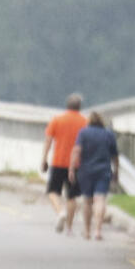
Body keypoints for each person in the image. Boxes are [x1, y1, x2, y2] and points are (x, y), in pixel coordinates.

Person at [41, 93, 87, 235]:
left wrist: (44, 158)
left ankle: (60, 211)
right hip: (77, 164)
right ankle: (69, 227)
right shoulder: (85, 122)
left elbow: (48, 140)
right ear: (80, 107)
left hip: (58, 161)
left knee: (53, 191)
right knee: (72, 196)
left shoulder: (57, 120)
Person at [70, 111, 120, 242]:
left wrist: (71, 169)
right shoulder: (108, 134)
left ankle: (87, 231)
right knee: (100, 199)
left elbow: (76, 151)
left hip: (85, 171)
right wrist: (116, 172)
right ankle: (98, 230)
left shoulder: (83, 133)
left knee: (87, 200)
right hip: (103, 170)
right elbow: (115, 155)